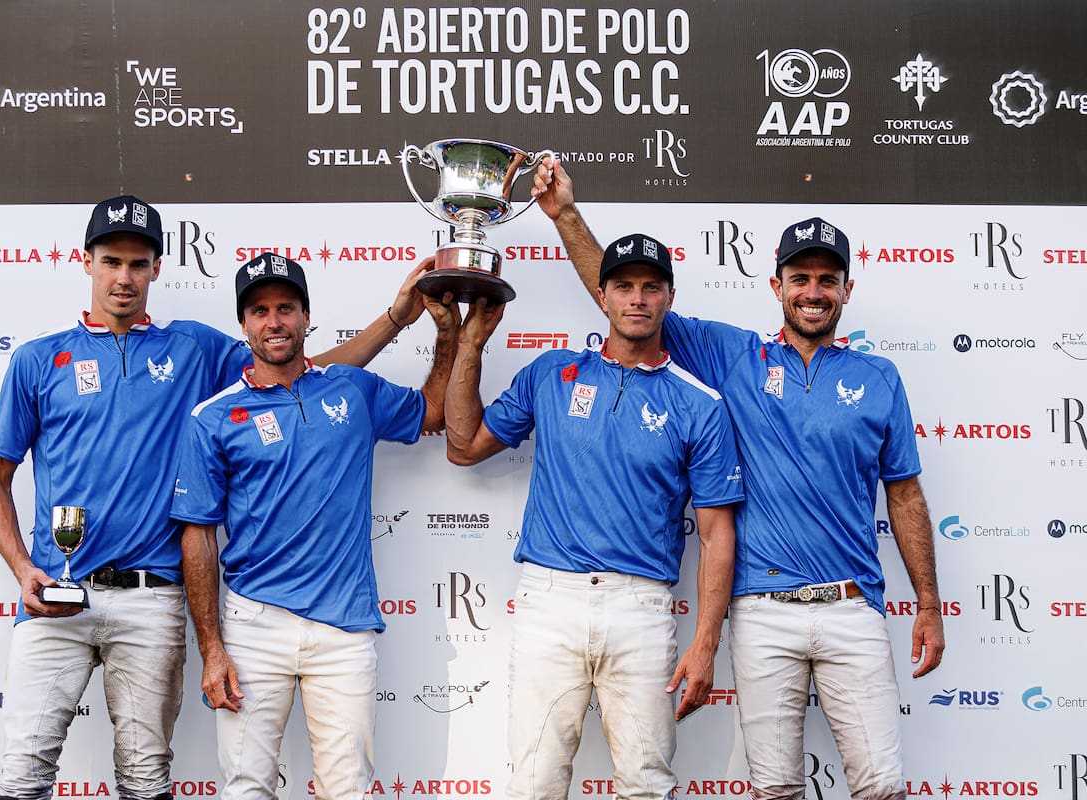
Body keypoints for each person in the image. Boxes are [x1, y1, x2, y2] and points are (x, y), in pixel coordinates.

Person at [0, 194, 436, 800]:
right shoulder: (37, 360)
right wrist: (22, 568)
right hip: (56, 598)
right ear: (85, 262)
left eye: (137, 264)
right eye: (111, 261)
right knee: (21, 775)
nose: (123, 277)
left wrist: (395, 319)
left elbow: (297, 370)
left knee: (146, 780)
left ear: (157, 269)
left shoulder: (192, 348)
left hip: (151, 599)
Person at [531, 159, 945, 800]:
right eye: (800, 278)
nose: (813, 291)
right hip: (762, 611)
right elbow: (626, 304)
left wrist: (929, 604)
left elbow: (906, 494)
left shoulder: (879, 377)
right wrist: (565, 216)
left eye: (827, 280)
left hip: (853, 608)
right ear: (777, 286)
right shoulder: (733, 356)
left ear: (847, 290)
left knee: (883, 786)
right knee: (774, 789)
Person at [444, 234, 743, 800]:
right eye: (623, 286)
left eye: (650, 287)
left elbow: (715, 534)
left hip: (641, 607)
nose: (637, 299)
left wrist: (705, 643)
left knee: (646, 785)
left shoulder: (701, 404)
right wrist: (471, 345)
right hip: (548, 601)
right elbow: (463, 447)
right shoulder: (552, 373)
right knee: (534, 782)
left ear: (669, 298)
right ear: (602, 296)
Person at [169, 255, 458, 800]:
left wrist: (445, 334)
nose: (274, 321)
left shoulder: (353, 389)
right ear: (243, 324)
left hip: (343, 628)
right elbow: (197, 537)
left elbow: (433, 412)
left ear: (306, 316)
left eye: (285, 308)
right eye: (260, 311)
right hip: (253, 626)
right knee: (246, 788)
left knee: (346, 789)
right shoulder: (214, 417)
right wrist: (212, 648)